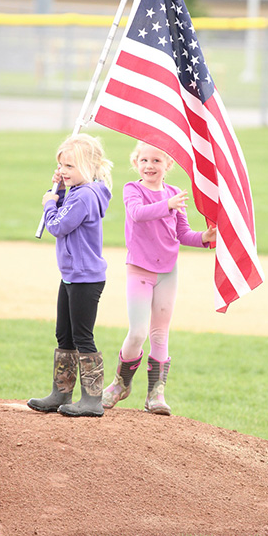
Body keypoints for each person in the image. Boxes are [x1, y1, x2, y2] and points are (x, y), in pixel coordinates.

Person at [102, 141, 216, 416]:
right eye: (144, 161)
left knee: (160, 333)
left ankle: (156, 393)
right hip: (140, 270)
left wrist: (204, 238)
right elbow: (137, 214)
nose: (149, 166)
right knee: (138, 332)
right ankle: (120, 384)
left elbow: (182, 233)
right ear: (136, 163)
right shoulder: (133, 190)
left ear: (168, 165)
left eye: (156, 161)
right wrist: (167, 204)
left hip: (168, 271)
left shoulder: (175, 194)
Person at [27, 133, 112, 418]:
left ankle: (92, 399)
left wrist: (49, 203)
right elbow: (68, 210)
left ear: (88, 167)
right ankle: (60, 392)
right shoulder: (78, 192)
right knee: (64, 333)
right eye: (61, 165)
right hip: (71, 275)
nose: (63, 171)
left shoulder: (86, 196)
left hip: (86, 277)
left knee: (82, 336)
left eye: (70, 167)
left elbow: (59, 225)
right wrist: (62, 191)